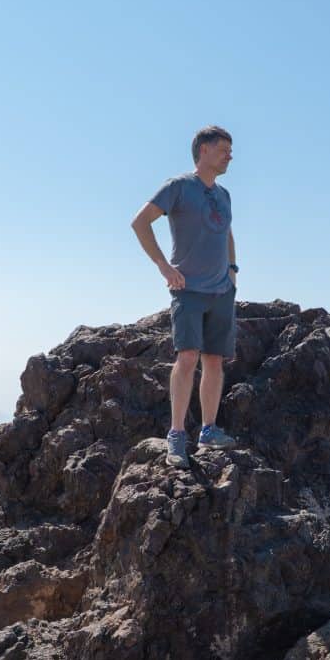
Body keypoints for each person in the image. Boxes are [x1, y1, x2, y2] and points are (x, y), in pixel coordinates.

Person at [130, 125, 239, 468]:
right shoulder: (178, 187)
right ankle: (176, 434)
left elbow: (227, 233)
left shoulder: (224, 194)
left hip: (222, 290)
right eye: (224, 148)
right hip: (188, 290)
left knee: (214, 361)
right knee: (188, 357)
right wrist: (164, 267)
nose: (230, 155)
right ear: (203, 150)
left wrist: (233, 269)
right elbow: (140, 222)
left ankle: (208, 430)